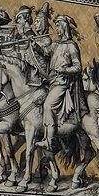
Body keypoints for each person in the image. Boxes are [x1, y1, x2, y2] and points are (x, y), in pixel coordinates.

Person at [34, 15, 83, 151]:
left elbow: (78, 67)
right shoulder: (56, 44)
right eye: (55, 26)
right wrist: (34, 45)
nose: (56, 28)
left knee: (48, 105)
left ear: (64, 27)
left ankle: (50, 141)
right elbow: (45, 52)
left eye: (58, 25)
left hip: (62, 82)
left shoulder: (71, 46)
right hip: (51, 82)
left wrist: (64, 69)